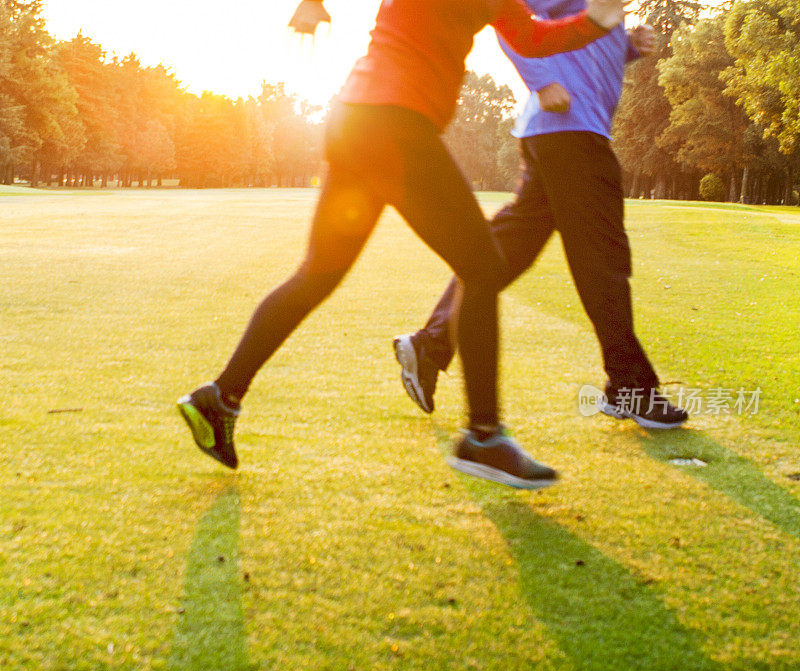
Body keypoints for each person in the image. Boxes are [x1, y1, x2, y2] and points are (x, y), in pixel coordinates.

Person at [177, 0, 627, 490]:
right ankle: (483, 436)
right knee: (482, 269)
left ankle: (220, 397)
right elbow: (532, 39)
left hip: (355, 122)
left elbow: (531, 37)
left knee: (317, 275)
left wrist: (596, 22)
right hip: (395, 125)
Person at [393, 0, 688, 431]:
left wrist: (627, 46)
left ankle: (430, 345)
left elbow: (582, 40)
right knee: (603, 261)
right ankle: (631, 387)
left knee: (506, 252)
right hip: (569, 130)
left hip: (562, 132)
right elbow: (504, 14)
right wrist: (541, 80)